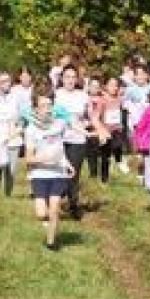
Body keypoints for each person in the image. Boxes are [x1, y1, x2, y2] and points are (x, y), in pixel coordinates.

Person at [25, 87, 75, 251]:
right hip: (39, 174)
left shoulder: (59, 124)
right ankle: (47, 222)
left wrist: (67, 163)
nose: (47, 109)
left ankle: (51, 242)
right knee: (41, 213)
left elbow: (60, 148)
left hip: (57, 172)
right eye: (43, 106)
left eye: (50, 105)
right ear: (36, 109)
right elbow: (28, 158)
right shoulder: (31, 129)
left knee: (54, 208)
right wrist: (43, 159)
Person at [54, 65, 89, 220]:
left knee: (74, 172)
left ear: (77, 79)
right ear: (62, 78)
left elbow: (89, 115)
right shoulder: (56, 95)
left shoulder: (82, 96)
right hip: (58, 139)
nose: (70, 80)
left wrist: (87, 125)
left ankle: (73, 205)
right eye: (67, 77)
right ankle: (57, 199)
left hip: (77, 138)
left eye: (73, 77)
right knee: (60, 171)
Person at [0, 71, 20, 197]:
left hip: (13, 137)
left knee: (11, 170)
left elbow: (22, 115)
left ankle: (8, 194)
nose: (5, 83)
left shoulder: (16, 96)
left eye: (7, 80)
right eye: (2, 81)